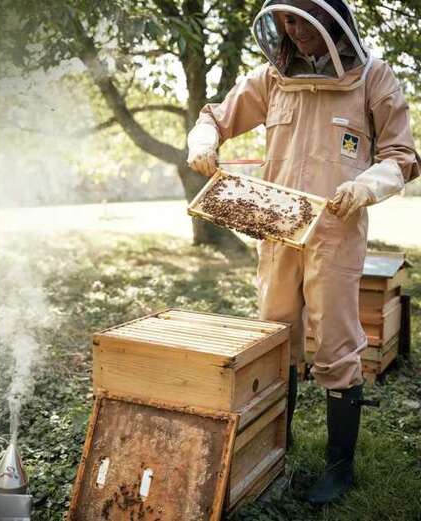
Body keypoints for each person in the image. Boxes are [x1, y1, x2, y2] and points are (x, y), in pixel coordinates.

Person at [186, 0, 419, 505]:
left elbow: (403, 157)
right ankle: (276, 442)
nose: (296, 30)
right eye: (288, 20)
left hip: (335, 232)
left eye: (305, 18)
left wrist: (368, 184)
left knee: (335, 342)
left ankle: (340, 465)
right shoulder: (271, 79)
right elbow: (216, 117)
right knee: (274, 334)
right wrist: (203, 139)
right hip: (276, 226)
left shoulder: (374, 79)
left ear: (332, 18)